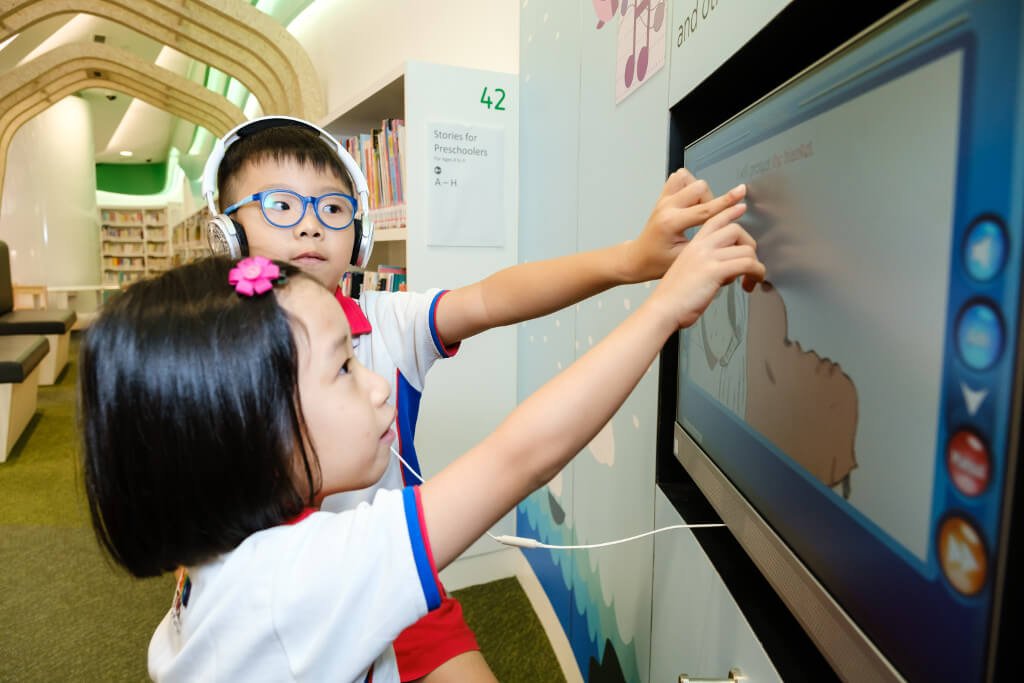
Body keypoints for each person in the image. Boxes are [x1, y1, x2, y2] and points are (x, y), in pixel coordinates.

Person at [79, 206, 763, 681]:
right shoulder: (297, 582)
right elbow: (523, 453)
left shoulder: (229, 558)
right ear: (248, 432)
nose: (378, 387)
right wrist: (665, 306)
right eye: (344, 368)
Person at [201, 115, 750, 682]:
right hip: (336, 587)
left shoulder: (388, 321)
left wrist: (630, 262)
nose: (312, 228)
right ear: (227, 234)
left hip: (400, 581)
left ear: (358, 234)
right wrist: (662, 309)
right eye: (281, 207)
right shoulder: (211, 369)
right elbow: (521, 456)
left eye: (332, 208)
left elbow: (491, 298)